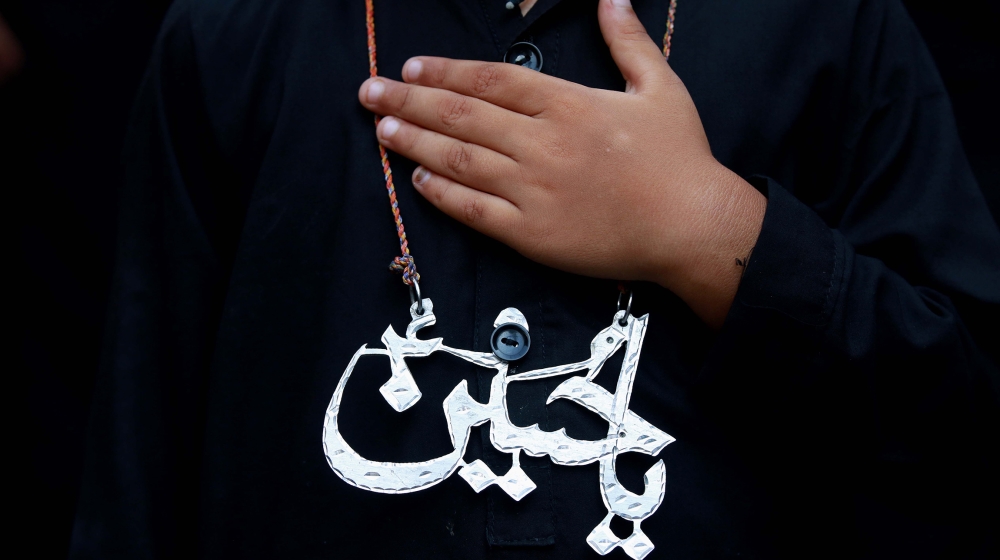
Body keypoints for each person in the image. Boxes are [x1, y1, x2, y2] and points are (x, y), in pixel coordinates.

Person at [70, 0, 1000, 558]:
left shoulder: (827, 21)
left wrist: (708, 229)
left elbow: (962, 427)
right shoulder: (237, 29)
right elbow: (140, 472)